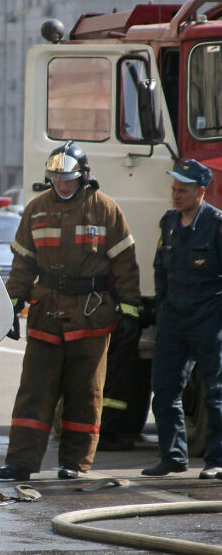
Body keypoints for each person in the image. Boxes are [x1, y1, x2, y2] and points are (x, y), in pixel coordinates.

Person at [0, 141, 141, 481]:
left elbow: (124, 265)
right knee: (34, 391)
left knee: (85, 393)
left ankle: (75, 463)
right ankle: (21, 462)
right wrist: (11, 306)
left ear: (84, 176)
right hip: (46, 313)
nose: (62, 185)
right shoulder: (36, 209)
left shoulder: (105, 209)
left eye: (69, 179)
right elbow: (22, 266)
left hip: (91, 315)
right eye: (57, 179)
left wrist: (131, 311)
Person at [143, 159, 222, 478]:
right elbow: (160, 267)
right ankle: (173, 456)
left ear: (200, 192)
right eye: (174, 189)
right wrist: (163, 306)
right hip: (174, 319)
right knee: (164, 389)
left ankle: (217, 460)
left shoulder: (217, 225)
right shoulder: (169, 222)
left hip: (209, 319)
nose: (176, 195)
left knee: (215, 392)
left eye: (183, 190)